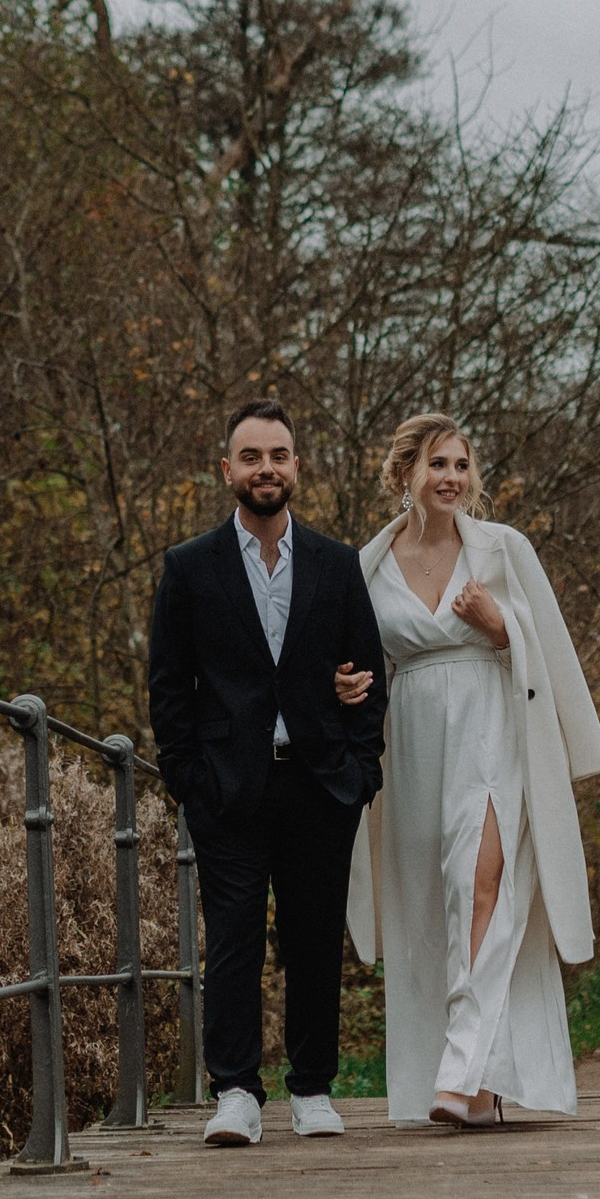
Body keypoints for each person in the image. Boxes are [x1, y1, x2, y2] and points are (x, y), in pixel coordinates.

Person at [334, 414, 600, 1127]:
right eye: (437, 465)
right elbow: (362, 661)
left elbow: (547, 653)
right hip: (413, 743)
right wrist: (346, 687)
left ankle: (456, 1073)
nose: (452, 477)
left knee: (480, 885)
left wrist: (499, 626)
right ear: (405, 476)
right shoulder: (366, 564)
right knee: (431, 908)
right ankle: (482, 1081)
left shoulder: (502, 550)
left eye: (461, 464)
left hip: (492, 731)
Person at [148, 400, 390, 1146]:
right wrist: (189, 777)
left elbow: (369, 672)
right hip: (228, 787)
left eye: (278, 454)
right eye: (251, 456)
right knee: (233, 940)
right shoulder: (189, 567)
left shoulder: (337, 561)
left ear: (296, 465)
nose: (266, 468)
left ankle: (314, 1088)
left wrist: (360, 768)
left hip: (321, 783)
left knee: (315, 940)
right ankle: (237, 1092)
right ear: (228, 470)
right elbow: (168, 685)